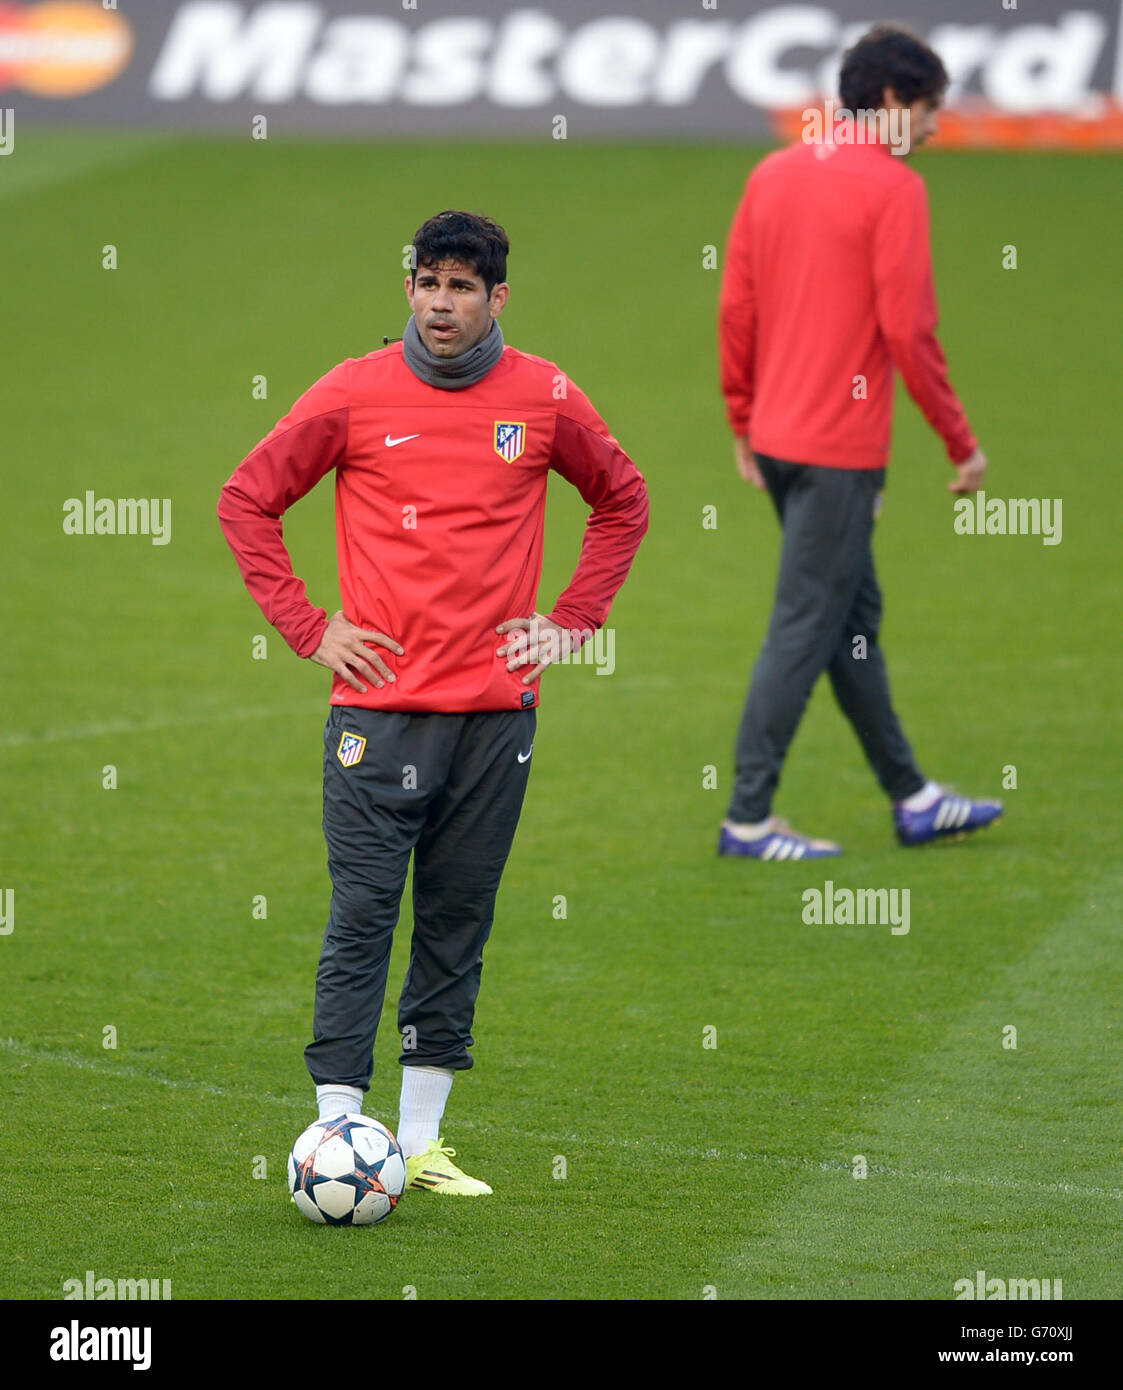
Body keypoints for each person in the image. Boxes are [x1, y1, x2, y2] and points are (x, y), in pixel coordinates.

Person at [218, 210, 648, 1192]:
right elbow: (247, 498)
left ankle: (416, 1144)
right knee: (363, 914)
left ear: (498, 297)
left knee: (457, 918)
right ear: (406, 287)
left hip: (497, 717)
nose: (440, 305)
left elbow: (623, 498)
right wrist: (308, 625)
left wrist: (574, 618)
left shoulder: (543, 396)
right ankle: (337, 1133)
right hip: (376, 713)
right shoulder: (353, 391)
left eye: (461, 288)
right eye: (427, 284)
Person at [717, 24, 1002, 861]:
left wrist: (741, 417)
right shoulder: (892, 189)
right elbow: (909, 331)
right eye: (928, 109)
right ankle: (746, 819)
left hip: (777, 435)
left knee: (849, 619)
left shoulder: (772, 171)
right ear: (888, 103)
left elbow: (738, 307)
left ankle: (912, 797)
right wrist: (960, 441)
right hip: (837, 450)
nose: (935, 127)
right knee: (807, 624)